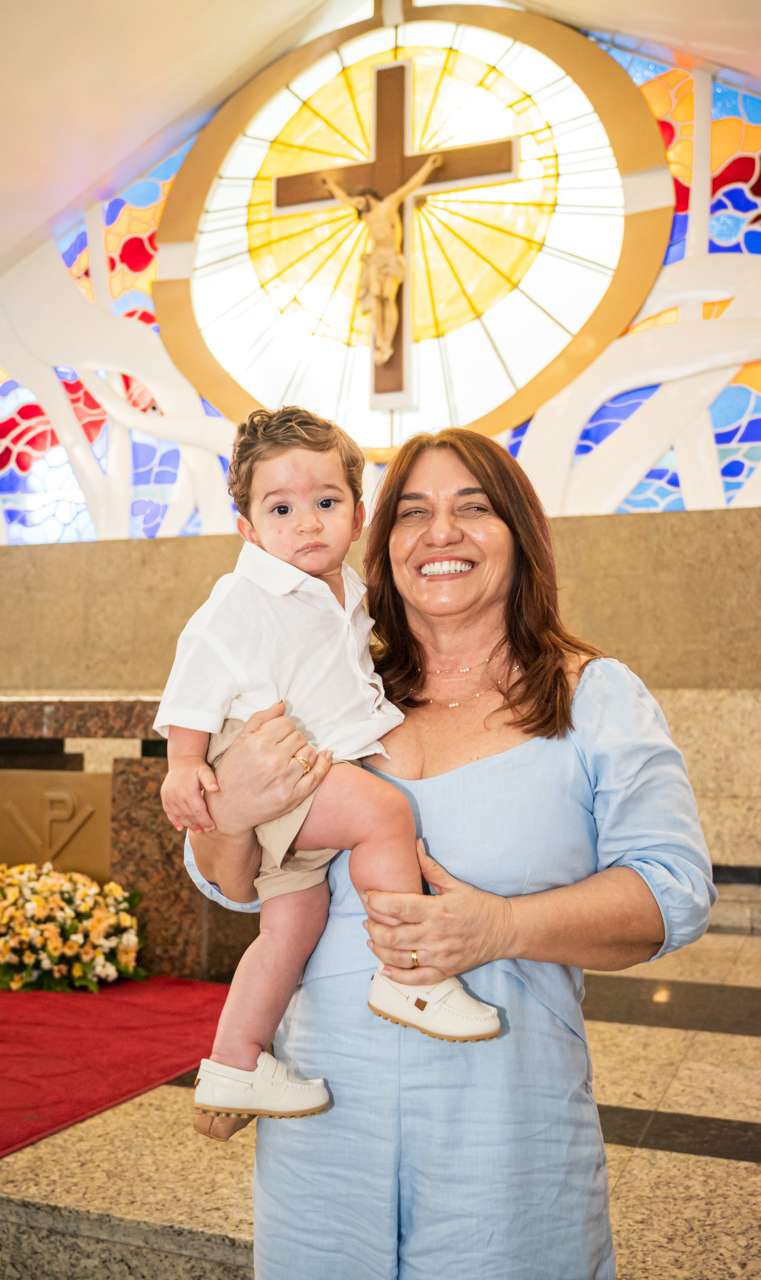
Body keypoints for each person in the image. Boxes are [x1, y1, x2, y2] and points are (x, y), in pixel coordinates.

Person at [185, 427, 715, 1279]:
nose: (441, 534)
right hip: (325, 1125)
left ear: (520, 534)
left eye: (472, 508)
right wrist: (233, 810)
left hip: (505, 1126)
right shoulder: (330, 690)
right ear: (379, 538)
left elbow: (674, 891)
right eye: (414, 513)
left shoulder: (594, 696)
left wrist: (497, 928)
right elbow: (228, 882)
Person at [156, 409, 500, 1125]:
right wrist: (184, 761)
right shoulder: (244, 597)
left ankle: (234, 1061)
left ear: (357, 514)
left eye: (325, 503)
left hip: (302, 779)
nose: (305, 523)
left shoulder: (351, 594)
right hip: (278, 763)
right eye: (280, 509)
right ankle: (405, 975)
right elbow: (196, 672)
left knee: (291, 925)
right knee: (384, 812)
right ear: (247, 527)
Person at [322, 154, 442, 365]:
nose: (358, 206)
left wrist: (429, 166)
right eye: (356, 204)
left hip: (391, 258)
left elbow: (411, 186)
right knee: (377, 297)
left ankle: (387, 340)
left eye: (359, 201)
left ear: (367, 195)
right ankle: (381, 342)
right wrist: (330, 185)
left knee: (387, 295)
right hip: (376, 260)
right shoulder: (366, 215)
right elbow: (343, 199)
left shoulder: (389, 204)